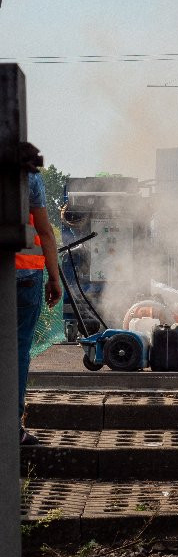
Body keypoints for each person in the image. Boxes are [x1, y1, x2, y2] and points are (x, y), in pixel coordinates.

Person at [16, 164, 63, 445]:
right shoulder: (28, 174)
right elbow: (45, 232)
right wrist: (54, 278)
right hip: (25, 276)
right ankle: (12, 428)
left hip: (25, 276)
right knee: (18, 350)